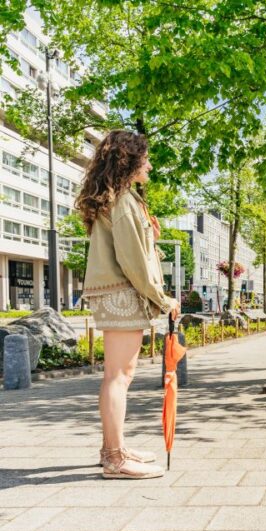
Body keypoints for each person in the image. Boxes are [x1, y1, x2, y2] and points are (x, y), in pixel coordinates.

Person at [78, 130, 180, 480]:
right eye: (145, 158)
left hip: (116, 292)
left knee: (118, 375)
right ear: (130, 161)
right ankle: (115, 459)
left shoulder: (118, 199)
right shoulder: (122, 201)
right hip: (121, 293)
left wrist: (151, 236)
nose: (149, 165)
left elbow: (135, 249)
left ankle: (112, 449)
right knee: (118, 377)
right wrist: (164, 300)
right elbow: (134, 261)